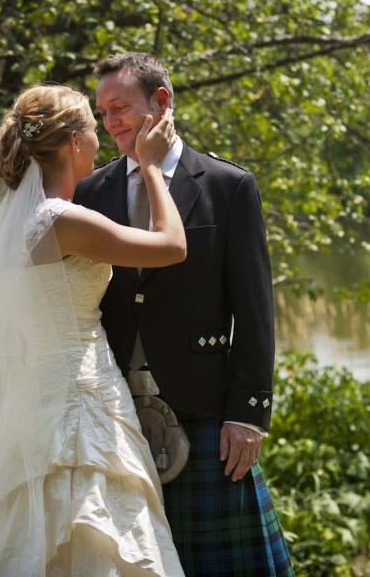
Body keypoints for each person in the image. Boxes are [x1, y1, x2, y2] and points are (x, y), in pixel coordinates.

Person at [0, 84, 187, 576]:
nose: (99, 137)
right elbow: (171, 246)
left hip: (38, 394)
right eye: (93, 128)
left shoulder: (25, 220)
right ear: (73, 143)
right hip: (81, 394)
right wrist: (152, 166)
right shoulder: (61, 220)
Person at [74, 52, 294, 576]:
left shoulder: (227, 185)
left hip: (204, 409)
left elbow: (256, 310)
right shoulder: (90, 192)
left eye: (122, 107)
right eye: (104, 113)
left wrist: (248, 413)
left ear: (163, 102)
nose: (112, 123)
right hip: (113, 414)